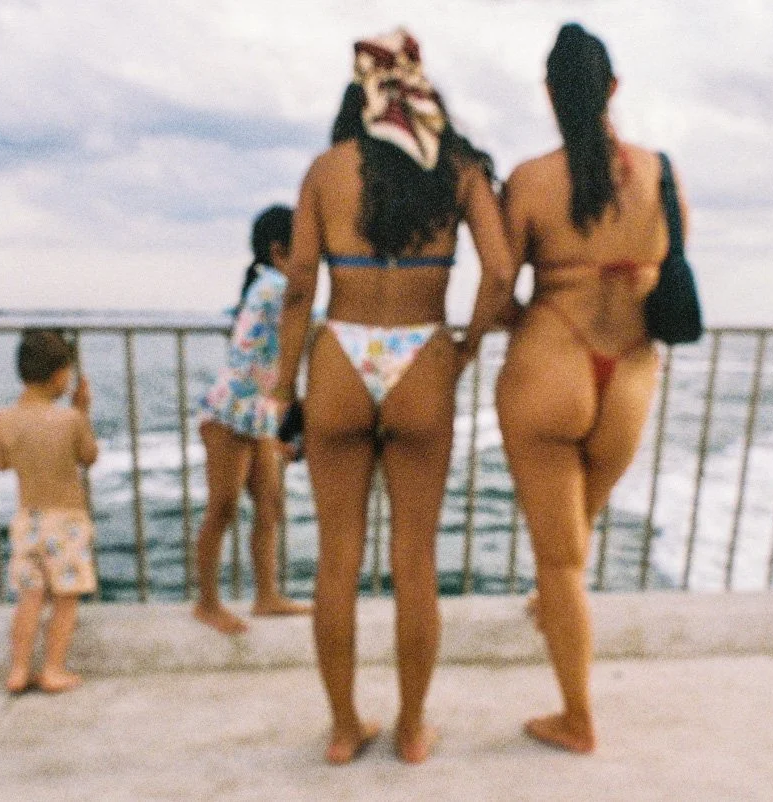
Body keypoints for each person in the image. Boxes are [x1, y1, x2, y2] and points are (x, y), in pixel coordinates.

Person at [273, 29, 515, 765]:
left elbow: (299, 284)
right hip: (422, 357)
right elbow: (501, 273)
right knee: (415, 561)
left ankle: (345, 728)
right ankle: (411, 729)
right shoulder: (459, 170)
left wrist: (283, 386)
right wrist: (466, 346)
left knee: (336, 561)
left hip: (342, 358)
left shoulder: (326, 169)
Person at [493, 23, 688, 753]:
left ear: (550, 93)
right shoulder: (659, 172)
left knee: (561, 560)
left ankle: (577, 717)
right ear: (612, 88)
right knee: (575, 535)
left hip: (551, 360)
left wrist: (509, 325)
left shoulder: (531, 180)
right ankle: (554, 609)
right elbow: (670, 265)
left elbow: (498, 283)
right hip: (630, 373)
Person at [193, 205, 312, 635]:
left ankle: (266, 596)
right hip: (230, 414)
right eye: (306, 248)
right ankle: (206, 603)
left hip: (255, 413)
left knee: (270, 503)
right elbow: (314, 325)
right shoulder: (275, 286)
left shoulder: (270, 285)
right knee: (222, 507)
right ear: (280, 252)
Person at [0, 329, 99, 694]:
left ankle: (18, 670)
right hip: (66, 522)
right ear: (59, 375)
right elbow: (88, 456)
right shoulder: (70, 420)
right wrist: (82, 412)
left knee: (30, 597)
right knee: (65, 600)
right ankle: (52, 669)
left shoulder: (2, 418)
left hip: (28, 520)